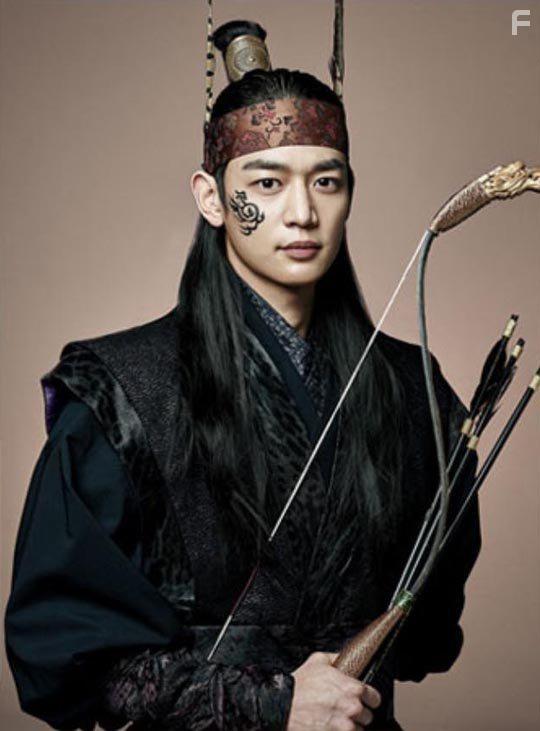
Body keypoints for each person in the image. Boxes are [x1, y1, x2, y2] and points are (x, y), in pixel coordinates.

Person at [4, 17, 481, 731]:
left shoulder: (411, 387)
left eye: (326, 181)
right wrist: (273, 701)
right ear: (211, 197)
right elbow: (64, 654)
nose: (302, 212)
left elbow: (428, 631)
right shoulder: (121, 392)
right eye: (267, 181)